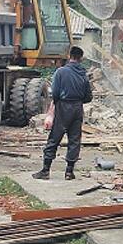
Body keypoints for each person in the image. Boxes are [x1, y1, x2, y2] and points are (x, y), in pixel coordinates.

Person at [32, 46, 93, 181]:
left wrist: (55, 107)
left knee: (54, 138)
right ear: (81, 58)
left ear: (69, 56)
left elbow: (55, 93)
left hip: (63, 107)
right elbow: (88, 97)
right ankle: (69, 172)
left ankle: (46, 170)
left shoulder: (61, 72)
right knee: (74, 140)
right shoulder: (83, 74)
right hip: (77, 108)